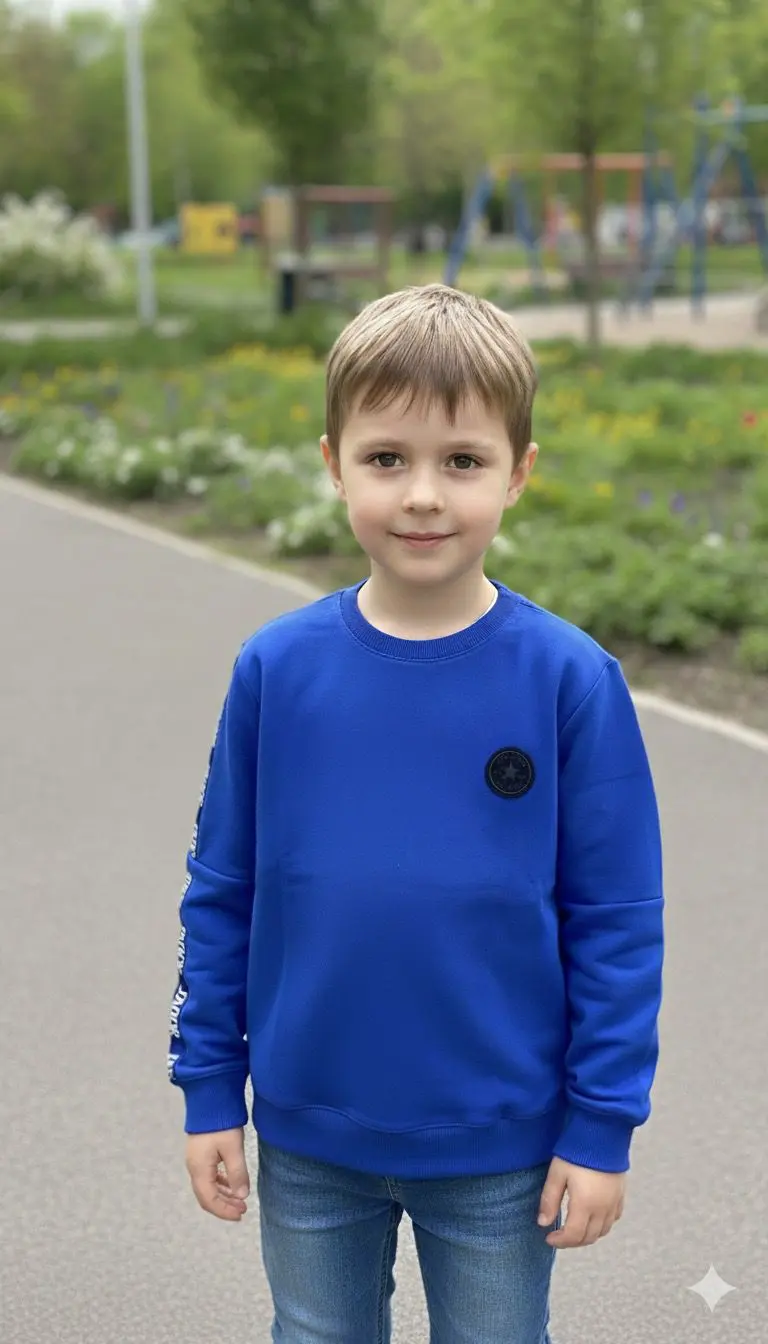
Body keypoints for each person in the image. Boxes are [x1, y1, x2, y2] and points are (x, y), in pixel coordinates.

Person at [167, 283, 665, 1343]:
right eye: (387, 458)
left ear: (519, 472)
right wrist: (210, 1086)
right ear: (333, 462)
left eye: (464, 461)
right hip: (308, 1136)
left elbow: (617, 923)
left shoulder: (570, 681)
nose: (424, 496)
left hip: (502, 1147)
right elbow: (221, 893)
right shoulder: (277, 671)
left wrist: (601, 1125)